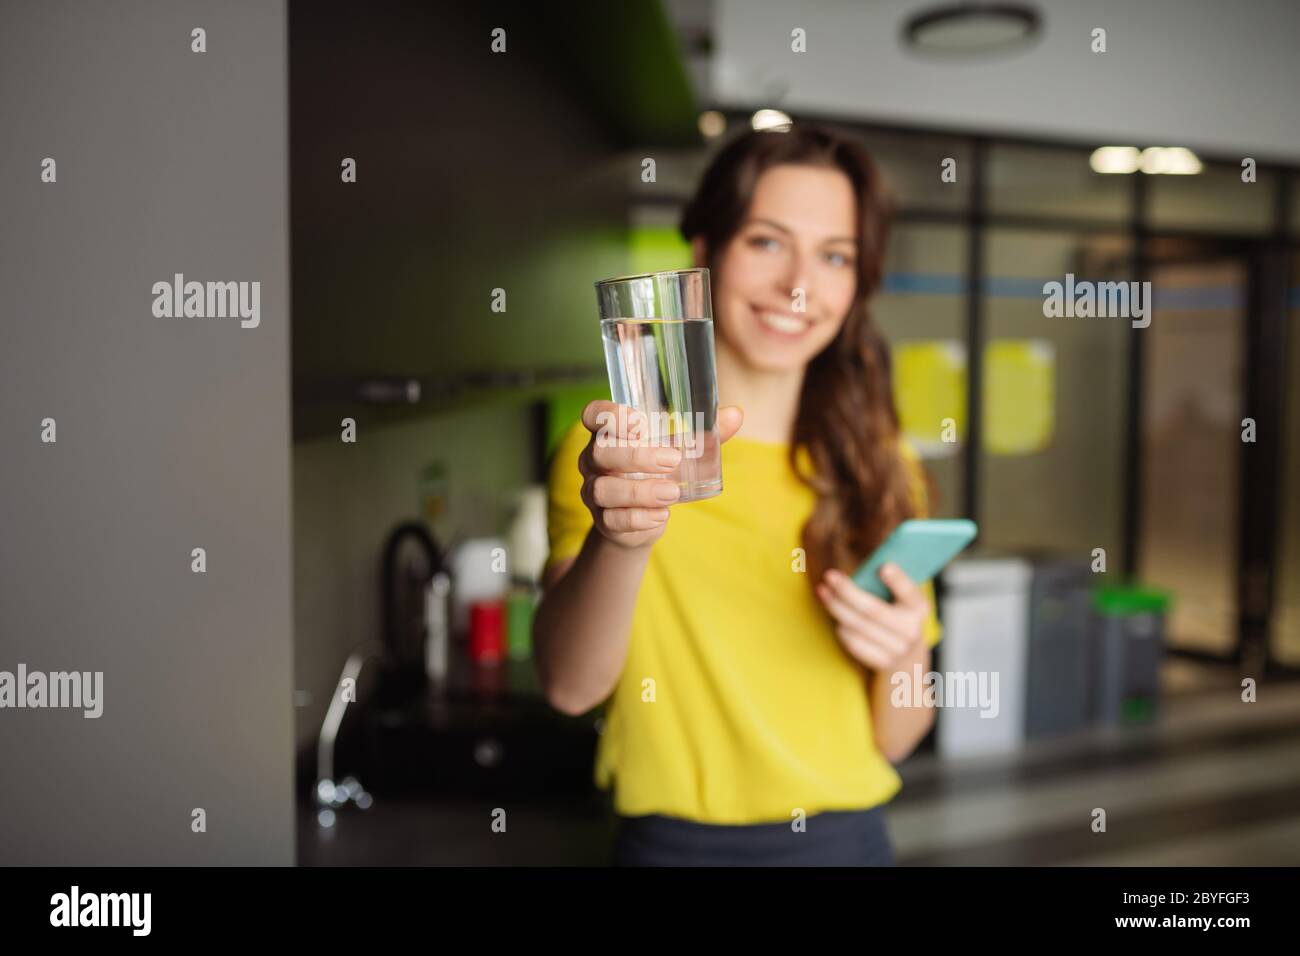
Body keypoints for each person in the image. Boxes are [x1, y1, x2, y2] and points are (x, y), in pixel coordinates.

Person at [532, 124, 943, 866]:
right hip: (672, 847)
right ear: (704, 251)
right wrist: (620, 538)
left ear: (859, 283)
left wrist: (906, 654)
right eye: (766, 241)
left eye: (835, 255)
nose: (799, 286)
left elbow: (897, 735)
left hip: (848, 840)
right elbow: (568, 686)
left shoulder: (885, 467)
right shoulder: (619, 455)